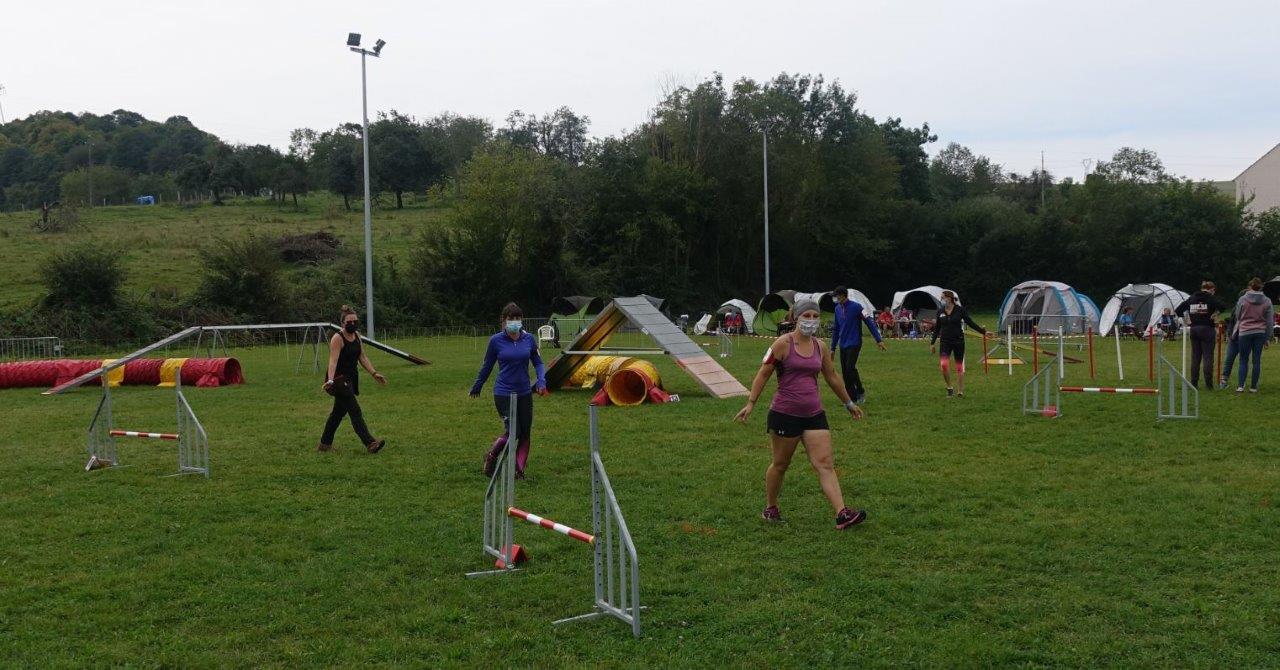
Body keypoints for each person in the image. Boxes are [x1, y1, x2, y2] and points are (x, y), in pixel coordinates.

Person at [734, 299, 867, 530]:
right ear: (796, 317)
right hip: (785, 414)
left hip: (814, 413)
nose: (812, 321)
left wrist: (848, 403)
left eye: (815, 317)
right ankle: (770, 507)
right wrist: (751, 403)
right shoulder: (782, 344)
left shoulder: (820, 347)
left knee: (824, 463)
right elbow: (764, 373)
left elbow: (832, 376)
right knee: (780, 464)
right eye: (807, 316)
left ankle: (842, 514)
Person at [471, 302, 548, 478]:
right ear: (504, 321)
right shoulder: (496, 341)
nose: (515, 322)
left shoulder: (528, 339)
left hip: (524, 392)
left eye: (518, 318)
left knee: (525, 432)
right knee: (514, 431)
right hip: (503, 393)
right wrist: (478, 385)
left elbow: (538, 362)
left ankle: (518, 470)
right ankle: (491, 456)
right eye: (511, 319)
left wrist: (541, 380)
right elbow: (487, 365)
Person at [319, 305, 387, 453]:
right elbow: (332, 361)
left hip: (350, 379)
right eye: (349, 322)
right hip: (338, 380)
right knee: (355, 411)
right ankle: (370, 443)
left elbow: (362, 357)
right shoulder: (338, 338)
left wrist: (374, 373)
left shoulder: (357, 336)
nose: (353, 324)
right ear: (342, 323)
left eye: (355, 321)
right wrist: (330, 380)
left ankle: (324, 445)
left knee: (337, 414)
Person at [830, 286, 886, 405]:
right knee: (845, 372)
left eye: (837, 296)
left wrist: (878, 339)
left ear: (843, 295)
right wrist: (832, 348)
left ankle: (860, 391)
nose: (835, 298)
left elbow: (869, 323)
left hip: (855, 342)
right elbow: (836, 329)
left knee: (850, 367)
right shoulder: (837, 309)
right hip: (843, 344)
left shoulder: (857, 307)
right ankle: (852, 398)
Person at [929, 290, 989, 398]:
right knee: (943, 365)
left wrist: (983, 332)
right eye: (941, 298)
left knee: (959, 366)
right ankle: (950, 388)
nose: (942, 300)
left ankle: (960, 391)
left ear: (950, 298)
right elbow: (937, 328)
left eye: (943, 298)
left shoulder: (960, 310)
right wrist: (932, 343)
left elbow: (970, 322)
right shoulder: (940, 311)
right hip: (945, 342)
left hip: (958, 341)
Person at [1175, 281, 1226, 390]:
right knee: (1208, 357)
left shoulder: (1192, 298)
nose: (1214, 292)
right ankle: (1209, 384)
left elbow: (1178, 310)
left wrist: (1186, 321)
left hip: (1194, 329)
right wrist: (1216, 314)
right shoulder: (1210, 298)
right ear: (1211, 289)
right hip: (1207, 329)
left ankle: (1194, 383)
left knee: (1195, 357)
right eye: (1214, 290)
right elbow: (1222, 306)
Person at [1230, 278, 1274, 393]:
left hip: (1245, 331)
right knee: (1256, 360)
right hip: (1260, 332)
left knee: (1243, 360)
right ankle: (1253, 387)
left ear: (1250, 286)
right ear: (1261, 287)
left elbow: (1238, 315)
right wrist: (1268, 337)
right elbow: (1270, 321)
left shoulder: (1242, 299)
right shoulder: (1267, 301)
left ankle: (1240, 386)